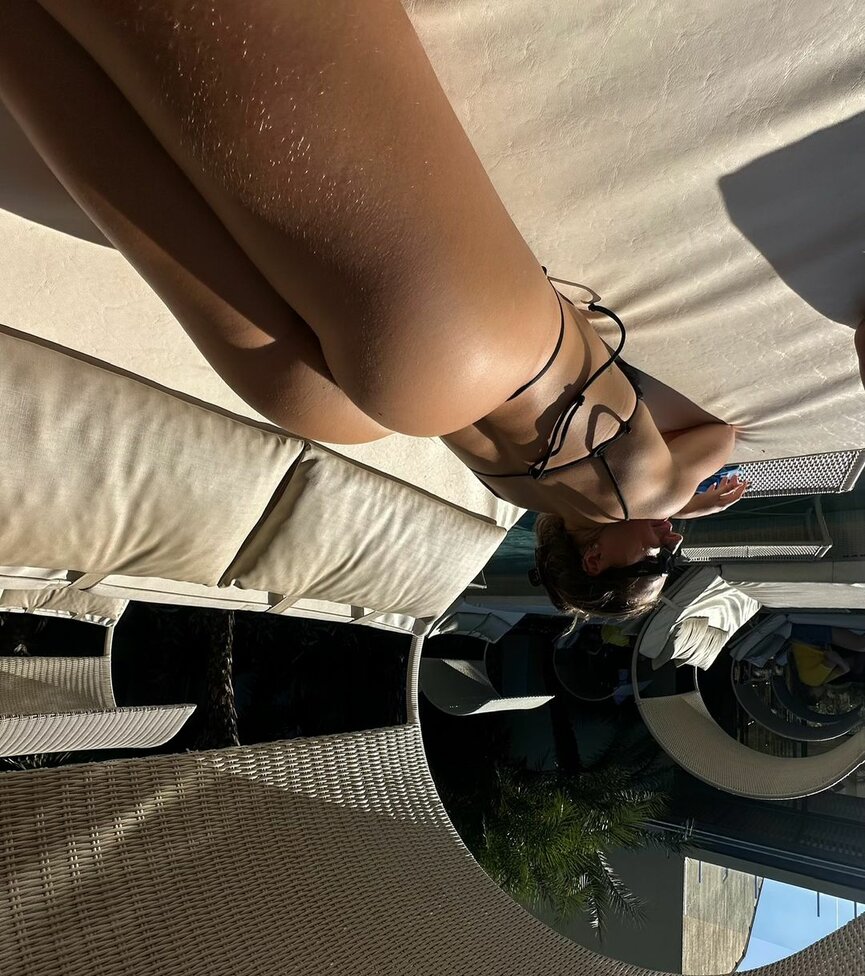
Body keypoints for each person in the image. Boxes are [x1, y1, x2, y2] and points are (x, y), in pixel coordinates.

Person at [1, 0, 751, 621]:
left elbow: (719, 437)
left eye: (653, 564)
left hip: (464, 353)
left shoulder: (651, 490)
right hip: (349, 408)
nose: (670, 545)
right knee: (109, 155)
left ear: (592, 559)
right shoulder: (516, 492)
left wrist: (683, 499)